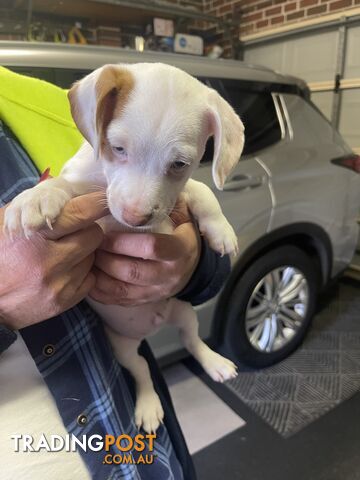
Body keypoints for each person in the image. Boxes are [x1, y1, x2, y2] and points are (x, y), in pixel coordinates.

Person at [0, 69, 231, 480]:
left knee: (183, 324)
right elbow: (66, 184)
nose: (137, 206)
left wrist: (193, 266)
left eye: (177, 164)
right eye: (119, 150)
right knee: (132, 355)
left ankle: (196, 347)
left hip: (133, 450)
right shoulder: (97, 114)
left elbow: (209, 252)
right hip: (88, 388)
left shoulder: (41, 101)